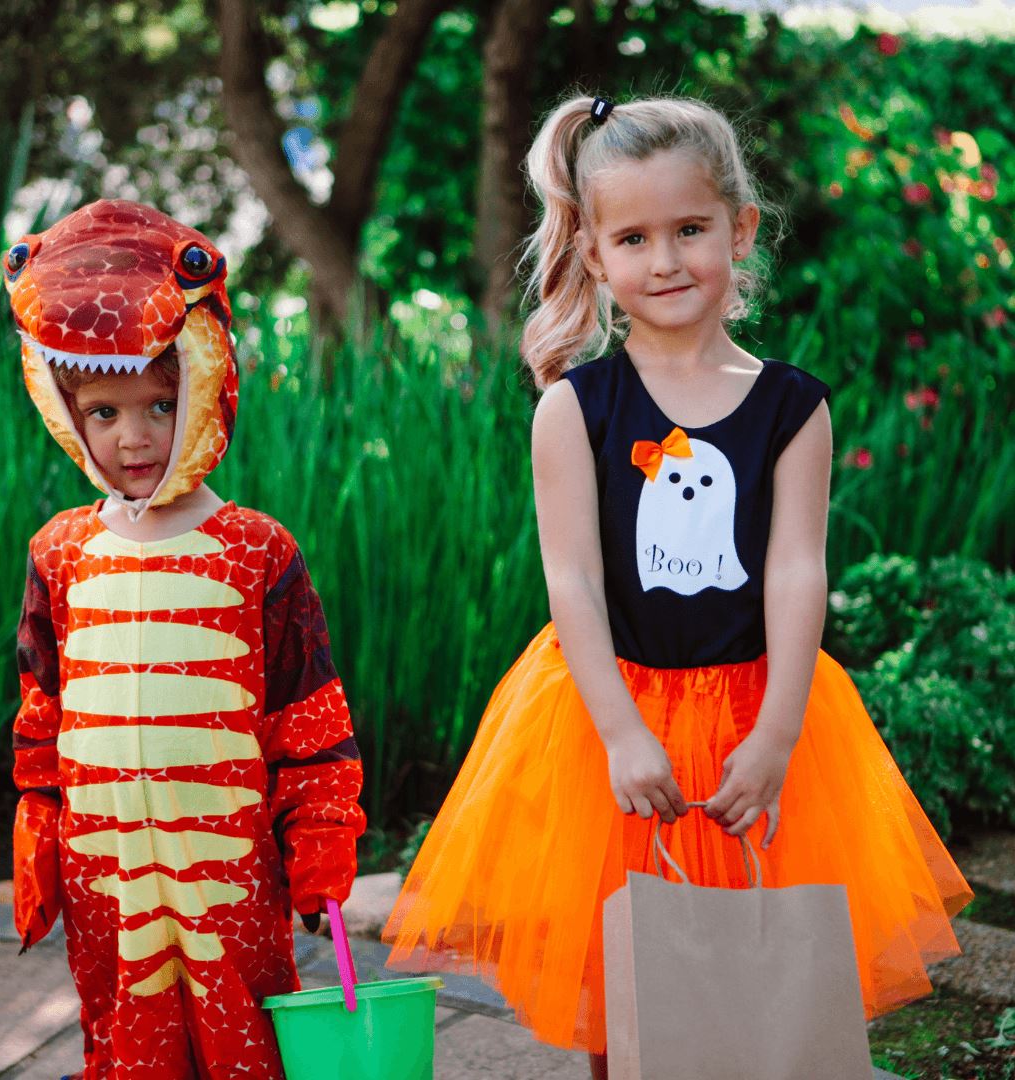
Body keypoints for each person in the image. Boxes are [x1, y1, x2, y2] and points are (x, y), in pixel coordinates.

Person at [382, 96, 971, 1077]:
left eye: (690, 230)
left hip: (761, 712)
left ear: (739, 230)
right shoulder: (577, 410)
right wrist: (618, 731)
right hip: (613, 719)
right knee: (636, 983)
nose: (664, 261)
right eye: (634, 238)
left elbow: (795, 569)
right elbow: (570, 579)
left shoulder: (792, 407)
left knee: (764, 983)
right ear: (593, 251)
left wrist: (779, 733)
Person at [5, 199, 365, 1079]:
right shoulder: (59, 552)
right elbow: (41, 709)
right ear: (65, 410)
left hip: (232, 879)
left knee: (248, 1049)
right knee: (122, 1045)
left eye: (162, 405)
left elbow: (308, 712)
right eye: (103, 411)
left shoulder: (257, 548)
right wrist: (40, 829)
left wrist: (319, 841)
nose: (133, 436)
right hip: (107, 877)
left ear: (206, 387)